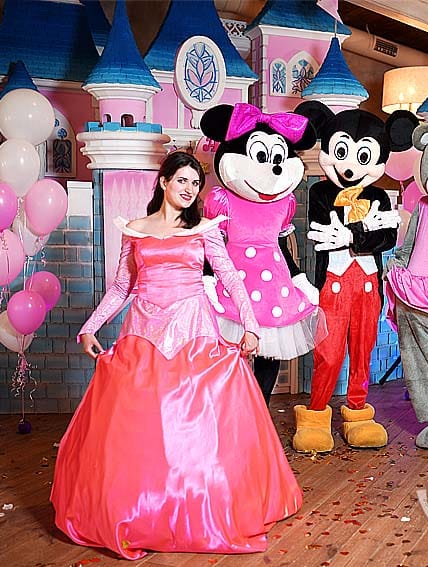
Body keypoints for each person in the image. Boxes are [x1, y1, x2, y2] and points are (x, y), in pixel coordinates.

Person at [50, 152, 302, 560]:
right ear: (164, 181)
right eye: (182, 180)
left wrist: (251, 325)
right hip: (143, 331)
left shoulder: (204, 229)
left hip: (193, 330)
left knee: (191, 423)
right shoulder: (134, 229)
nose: (189, 189)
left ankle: (194, 505)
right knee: (141, 424)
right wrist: (90, 327)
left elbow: (230, 277)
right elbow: (122, 287)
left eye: (195, 183)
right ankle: (145, 508)